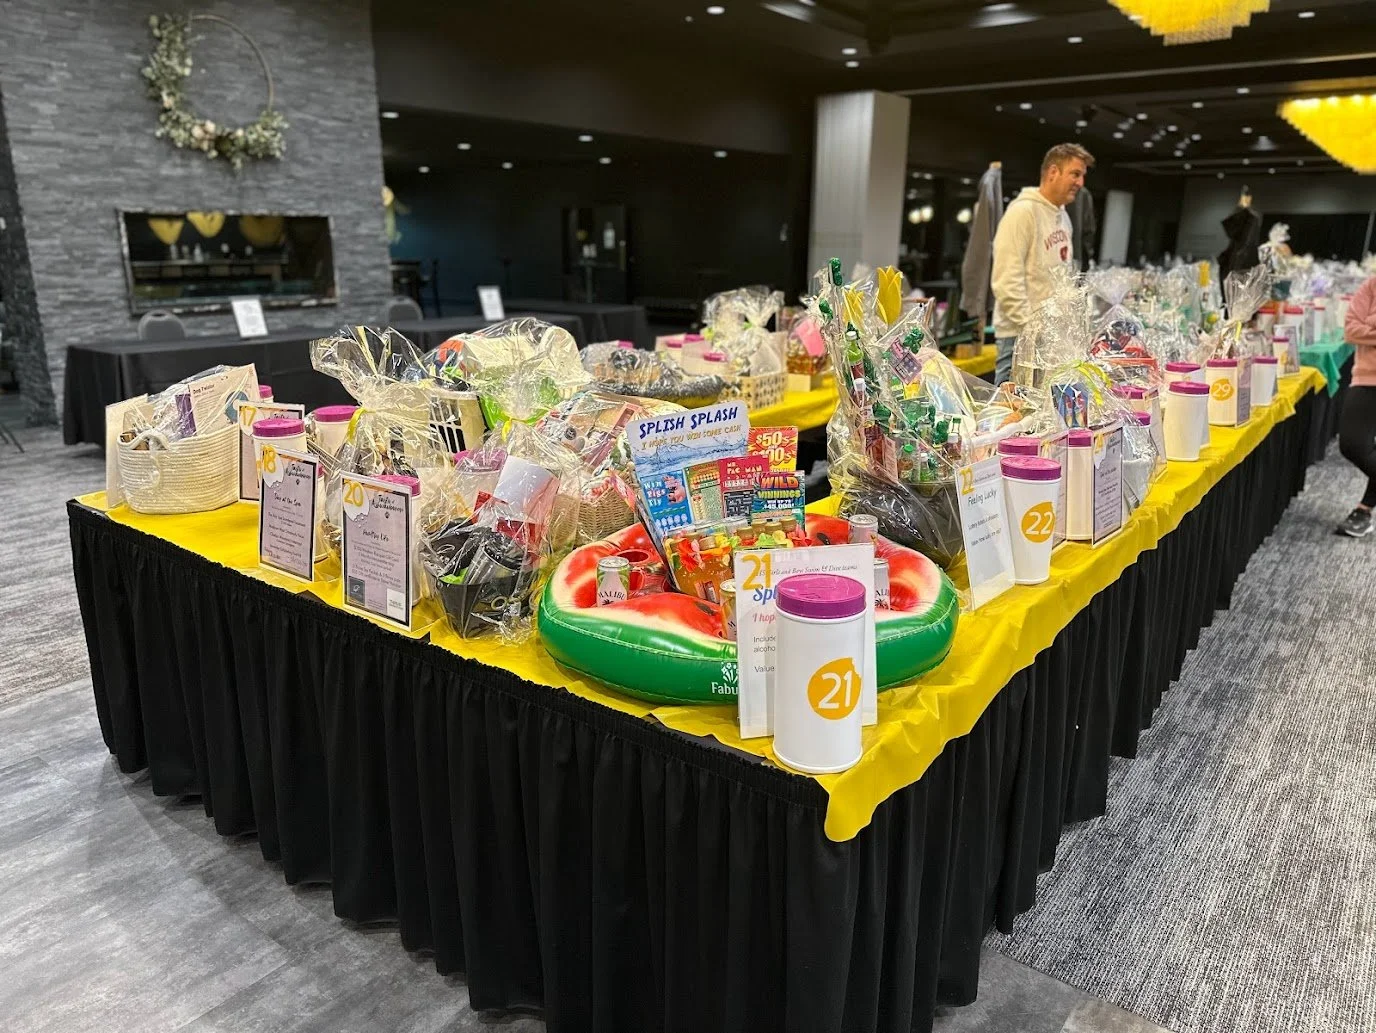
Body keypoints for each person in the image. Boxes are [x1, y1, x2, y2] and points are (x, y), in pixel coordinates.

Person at [990, 143, 1094, 384]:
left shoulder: (1063, 217)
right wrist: (1031, 330)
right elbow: (1006, 280)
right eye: (1075, 174)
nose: (1080, 183)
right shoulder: (1022, 212)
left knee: (1038, 413)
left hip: (1049, 337)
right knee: (1009, 412)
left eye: (1082, 176)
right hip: (1019, 336)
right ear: (1053, 172)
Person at [1338, 273, 1376, 537]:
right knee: (1352, 444)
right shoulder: (1372, 285)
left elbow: (1361, 329)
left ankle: (1364, 510)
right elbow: (1350, 331)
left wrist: (1371, 327)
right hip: (1367, 376)